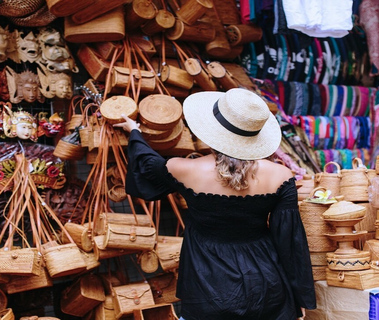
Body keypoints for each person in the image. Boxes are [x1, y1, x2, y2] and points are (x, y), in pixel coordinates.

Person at [114, 88, 316, 320]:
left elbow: (147, 165)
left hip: (207, 283)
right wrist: (300, 298)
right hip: (266, 284)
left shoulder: (184, 169)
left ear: (212, 130)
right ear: (255, 136)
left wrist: (135, 133)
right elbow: (290, 242)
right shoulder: (281, 176)